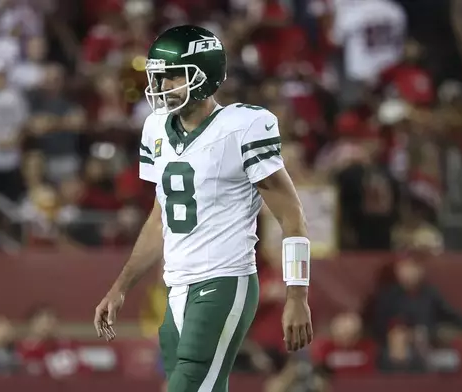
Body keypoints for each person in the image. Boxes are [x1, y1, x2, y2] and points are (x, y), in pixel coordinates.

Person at [93, 25, 313, 392]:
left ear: (203, 74)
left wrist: (297, 294)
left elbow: (292, 217)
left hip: (225, 280)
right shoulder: (155, 129)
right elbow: (160, 217)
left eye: (172, 75)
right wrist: (120, 287)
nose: (162, 86)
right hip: (176, 286)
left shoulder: (243, 126)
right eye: (158, 76)